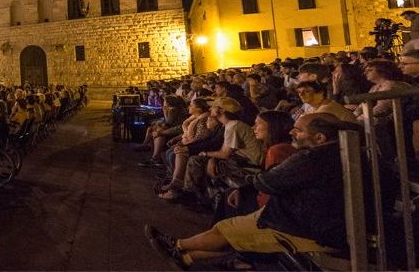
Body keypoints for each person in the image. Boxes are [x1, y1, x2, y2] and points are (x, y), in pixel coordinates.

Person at [144, 114, 352, 270]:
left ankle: (178, 246)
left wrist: (250, 184)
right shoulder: (341, 154)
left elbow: (269, 182)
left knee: (227, 228)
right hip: (305, 216)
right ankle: (185, 256)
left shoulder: (309, 159)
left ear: (320, 137)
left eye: (298, 130)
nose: (292, 132)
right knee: (229, 225)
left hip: (303, 226)